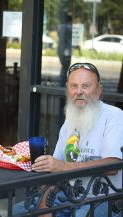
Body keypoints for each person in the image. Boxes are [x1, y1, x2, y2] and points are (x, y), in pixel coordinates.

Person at [13, 62, 123, 216]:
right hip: (68, 195)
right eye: (74, 86)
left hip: (103, 198)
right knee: (18, 211)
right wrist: (46, 204)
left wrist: (63, 167)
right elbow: (55, 170)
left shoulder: (114, 116)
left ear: (98, 90)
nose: (79, 92)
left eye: (86, 86)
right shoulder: (70, 120)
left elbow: (113, 165)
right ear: (67, 90)